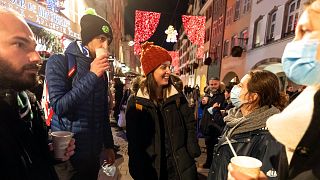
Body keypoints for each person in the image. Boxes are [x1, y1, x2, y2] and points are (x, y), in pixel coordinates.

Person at [228, 1, 320, 179]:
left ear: (253, 96)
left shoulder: (270, 132)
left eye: (306, 31)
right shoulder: (304, 110)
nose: (294, 44)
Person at [0, 8, 75, 179]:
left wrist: (50, 155)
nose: (37, 58)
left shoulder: (28, 102)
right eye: (19, 44)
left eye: (34, 47)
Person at [45, 9, 115, 180]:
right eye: (101, 39)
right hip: (68, 156)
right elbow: (60, 107)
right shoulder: (59, 61)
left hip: (93, 156)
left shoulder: (101, 73)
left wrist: (109, 145)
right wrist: (92, 75)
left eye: (109, 41)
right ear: (88, 39)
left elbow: (102, 112)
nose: (105, 46)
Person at [126, 42, 201, 180]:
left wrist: (192, 146)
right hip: (151, 168)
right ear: (150, 71)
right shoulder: (136, 101)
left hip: (179, 165)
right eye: (163, 67)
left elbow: (189, 122)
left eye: (169, 67)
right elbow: (133, 139)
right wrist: (136, 164)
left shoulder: (177, 95)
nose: (168, 71)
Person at [208, 70, 288, 180]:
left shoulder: (270, 135)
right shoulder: (234, 119)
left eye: (240, 86)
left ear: (253, 97)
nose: (235, 88)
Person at [199, 77, 225, 169]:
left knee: (215, 146)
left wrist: (216, 108)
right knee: (208, 145)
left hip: (216, 124)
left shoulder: (222, 95)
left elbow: (222, 108)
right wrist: (203, 103)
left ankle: (213, 165)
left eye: (215, 84)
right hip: (207, 123)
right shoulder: (207, 94)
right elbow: (202, 108)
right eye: (211, 84)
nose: (213, 86)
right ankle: (209, 163)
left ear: (219, 84)